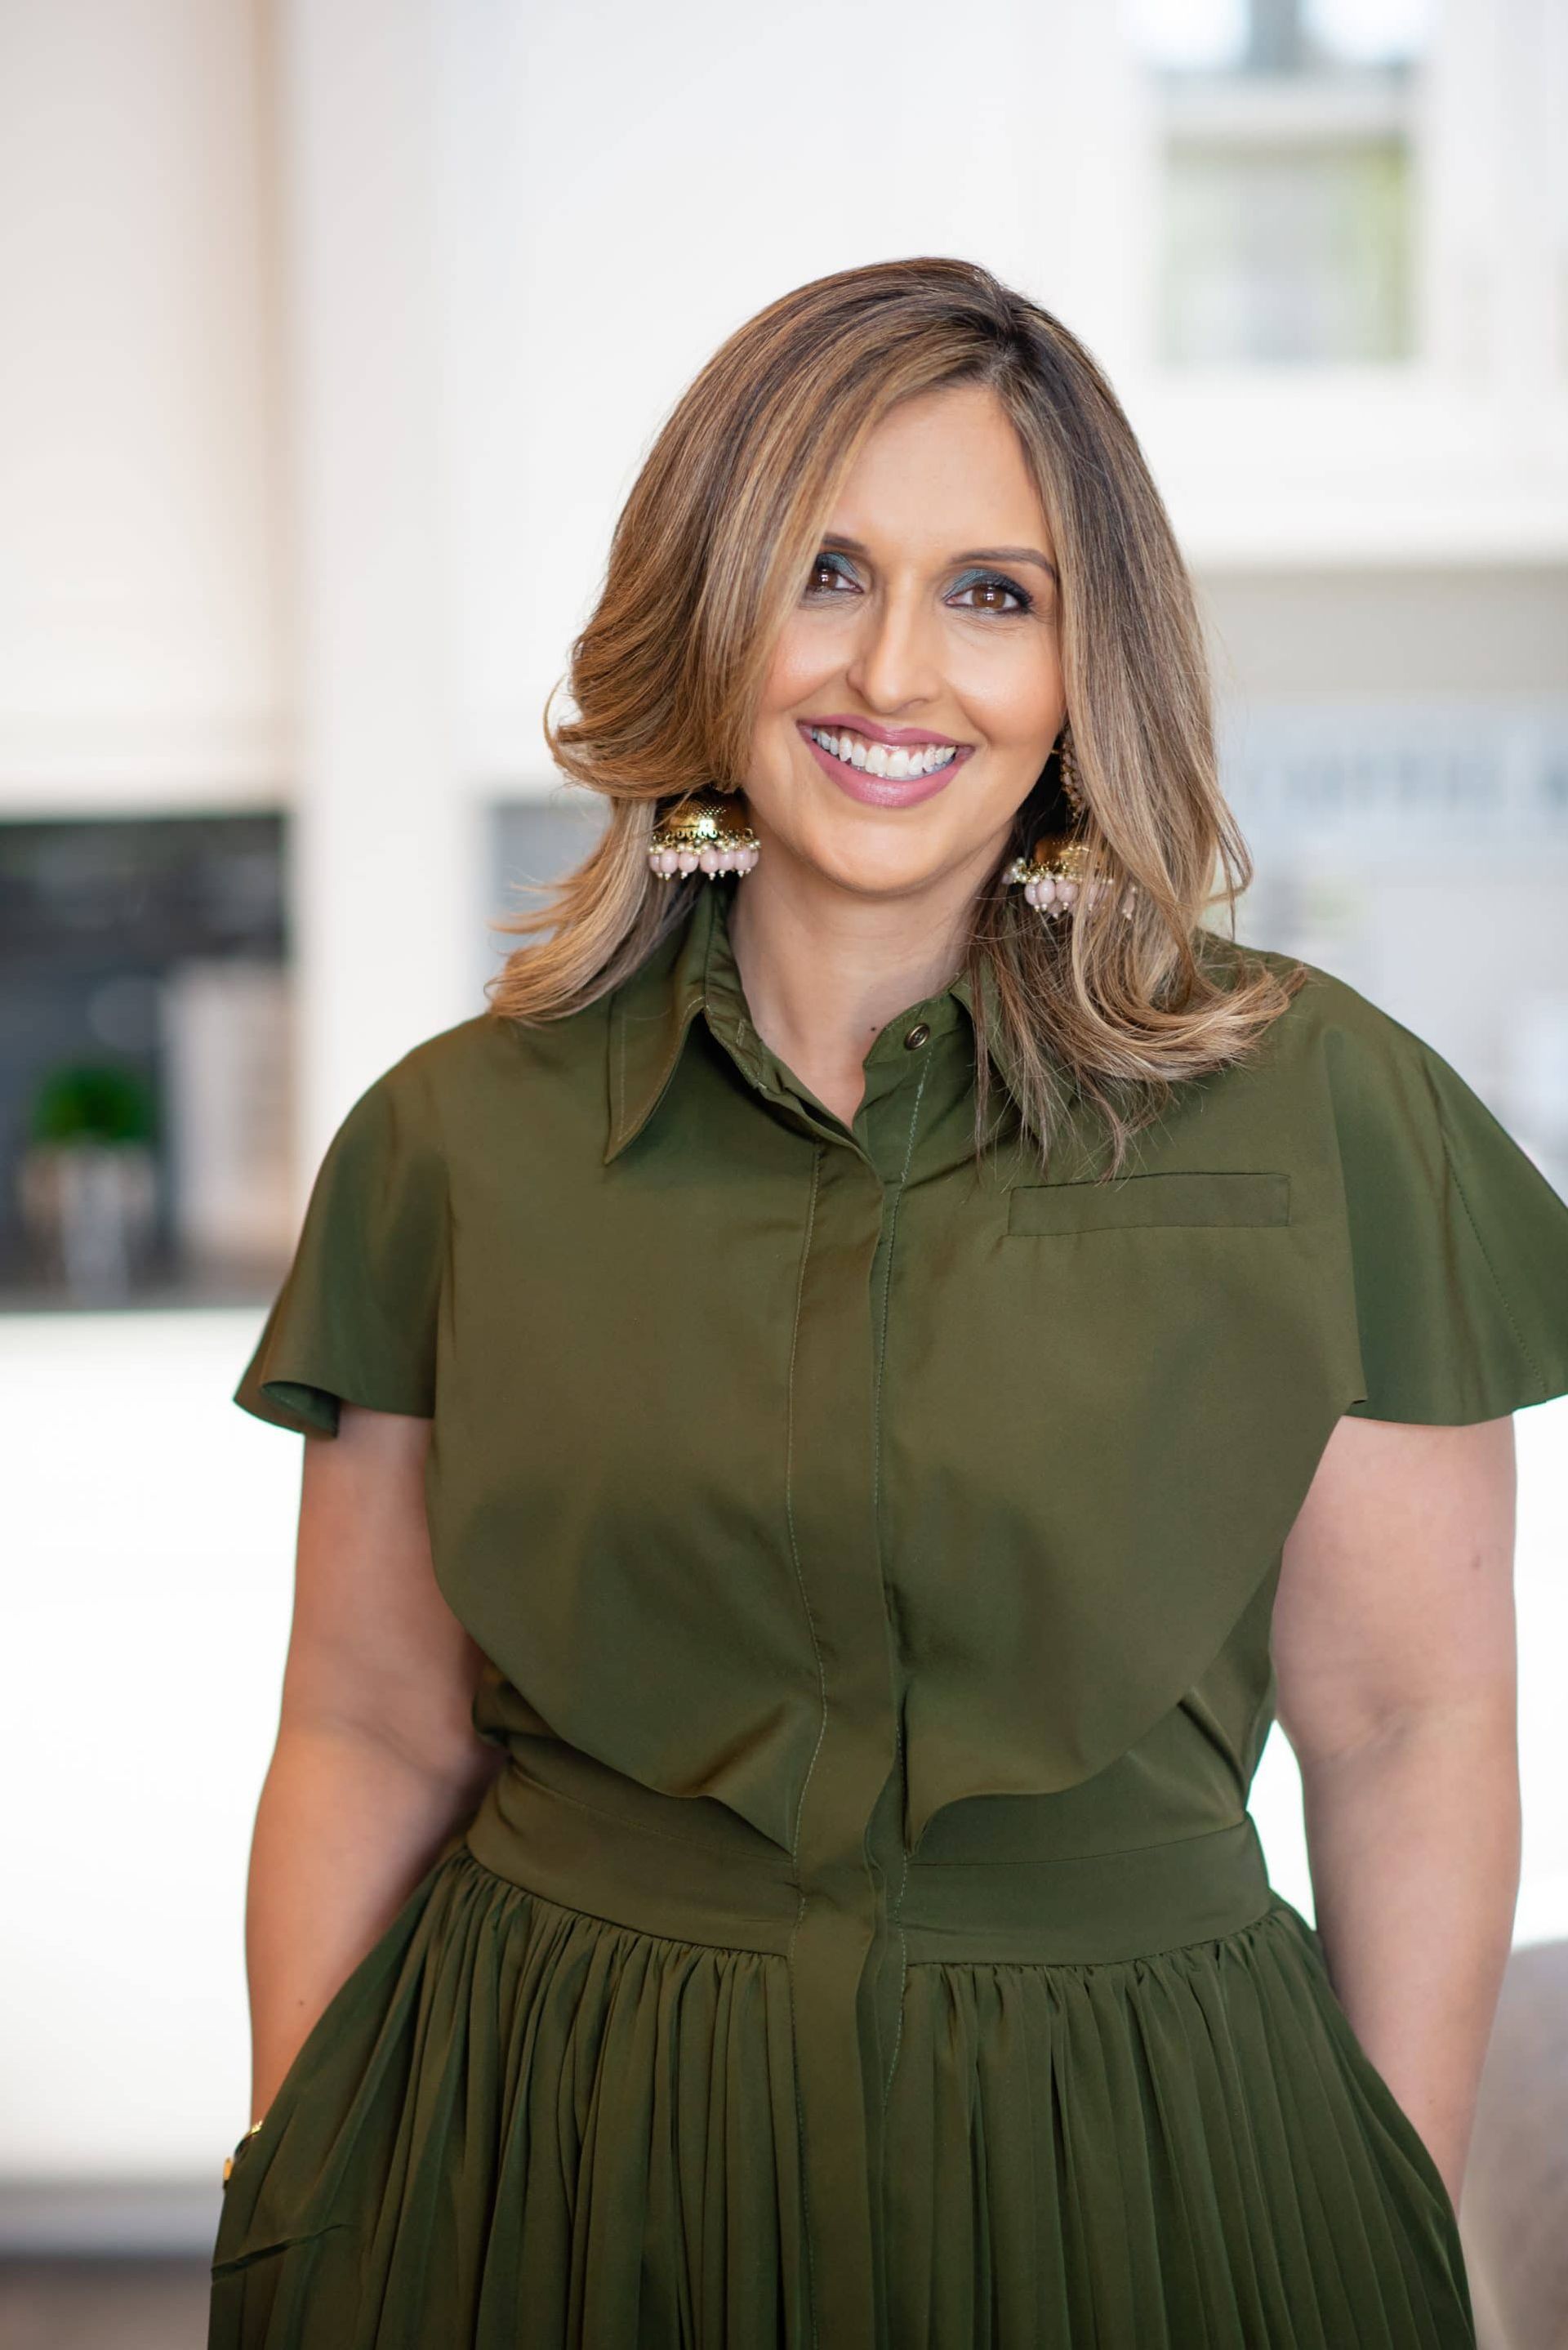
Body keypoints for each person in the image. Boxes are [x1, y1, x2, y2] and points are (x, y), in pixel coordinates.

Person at [209, 257, 1568, 2350]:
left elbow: (1405, 1730)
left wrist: (1375, 2205)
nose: (897, 668)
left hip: (1145, 2175)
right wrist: (307, 2182)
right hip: (537, 2181)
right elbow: (373, 1729)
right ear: (713, 603)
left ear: (1084, 659)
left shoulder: (1324, 1114)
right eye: (826, 568)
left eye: (994, 593)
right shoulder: (453, 1146)